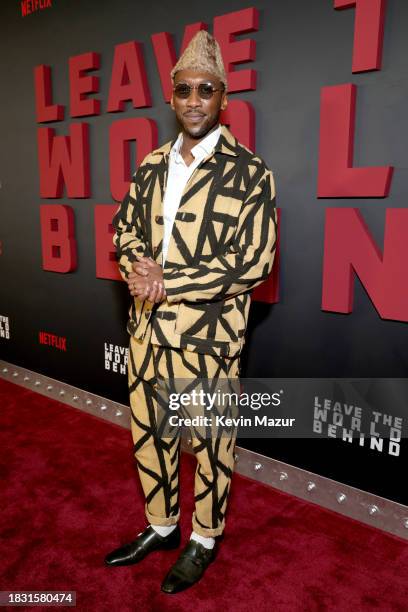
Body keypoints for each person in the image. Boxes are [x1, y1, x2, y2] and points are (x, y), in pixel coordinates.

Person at [105, 30, 277, 594]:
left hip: (207, 340)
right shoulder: (151, 165)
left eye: (207, 90)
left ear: (223, 97)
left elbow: (253, 261)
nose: (195, 100)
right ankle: (161, 526)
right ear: (172, 97)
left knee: (210, 445)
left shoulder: (251, 172)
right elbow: (123, 229)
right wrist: (137, 262)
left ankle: (204, 538)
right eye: (185, 90)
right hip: (146, 333)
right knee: (149, 434)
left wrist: (166, 279)